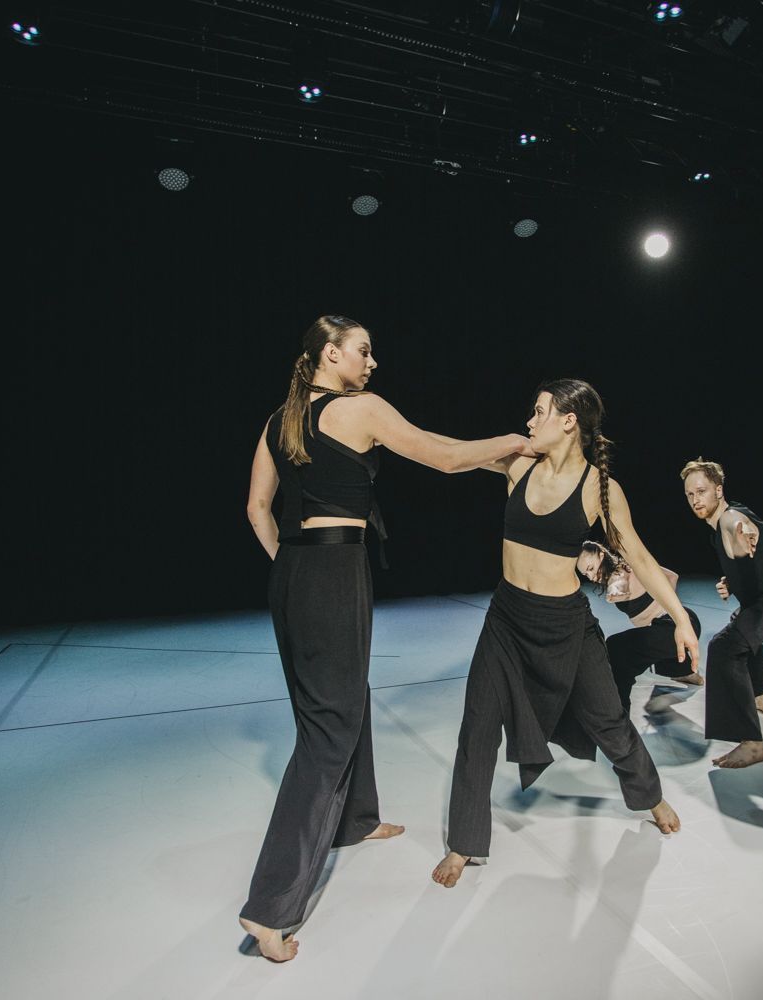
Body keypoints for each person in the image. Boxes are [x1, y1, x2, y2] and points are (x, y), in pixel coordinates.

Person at [240, 315, 530, 960]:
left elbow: (258, 508)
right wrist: (515, 442)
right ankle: (269, 909)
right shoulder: (360, 408)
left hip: (293, 572)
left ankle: (356, 818)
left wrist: (291, 568)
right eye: (363, 351)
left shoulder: (279, 418)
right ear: (330, 353)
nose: (372, 362)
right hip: (334, 570)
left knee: (340, 700)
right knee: (327, 730)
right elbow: (443, 456)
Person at [431, 379, 694, 888]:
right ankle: (464, 842)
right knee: (478, 728)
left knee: (609, 722)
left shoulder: (599, 489)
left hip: (565, 625)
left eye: (539, 412)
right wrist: (505, 441)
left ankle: (650, 795)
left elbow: (640, 557)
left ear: (569, 421)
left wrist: (680, 618)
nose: (530, 421)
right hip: (507, 620)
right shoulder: (518, 465)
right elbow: (451, 456)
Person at [679, 459, 763, 768]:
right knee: (740, 628)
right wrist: (733, 580)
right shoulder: (717, 529)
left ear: (718, 490)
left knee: (723, 647)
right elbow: (751, 559)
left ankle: (751, 743)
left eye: (701, 491)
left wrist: (743, 535)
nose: (695, 499)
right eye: (690, 494)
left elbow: (738, 527)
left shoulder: (729, 517)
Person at [575, 540, 703, 713]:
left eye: (591, 568)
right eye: (586, 574)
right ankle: (686, 672)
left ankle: (620, 712)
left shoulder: (618, 575)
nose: (591, 577)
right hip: (683, 621)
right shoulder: (629, 568)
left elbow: (617, 587)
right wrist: (662, 603)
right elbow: (672, 576)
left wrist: (617, 590)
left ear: (601, 555)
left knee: (616, 647)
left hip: (677, 627)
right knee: (649, 640)